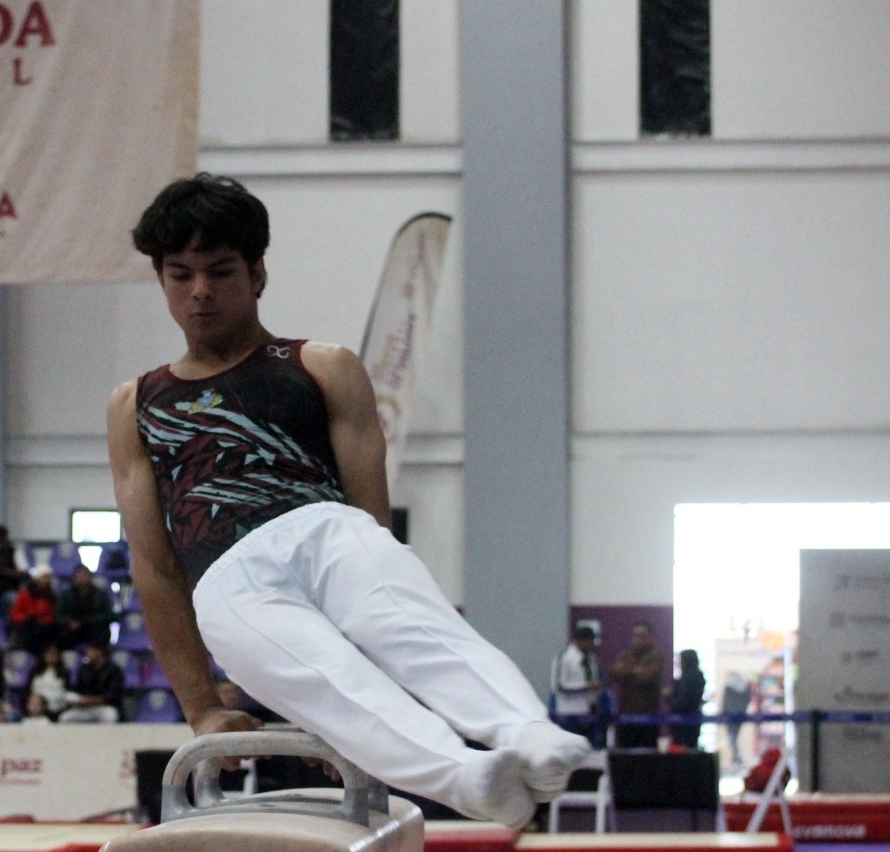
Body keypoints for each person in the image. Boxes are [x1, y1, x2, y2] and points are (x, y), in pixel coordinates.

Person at [106, 174, 589, 827]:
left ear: (257, 273)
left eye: (220, 271)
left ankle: (526, 731)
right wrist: (202, 707)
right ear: (161, 280)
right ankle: (468, 779)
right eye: (180, 275)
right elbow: (156, 568)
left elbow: (371, 532)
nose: (200, 291)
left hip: (326, 531)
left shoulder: (322, 366)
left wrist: (364, 653)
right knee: (330, 685)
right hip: (227, 582)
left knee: (412, 624)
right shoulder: (136, 405)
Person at [608, 620, 665, 749]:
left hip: (649, 717)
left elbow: (647, 676)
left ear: (649, 637)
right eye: (634, 635)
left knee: (648, 756)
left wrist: (627, 672)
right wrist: (635, 671)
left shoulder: (656, 655)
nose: (637, 639)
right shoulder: (625, 655)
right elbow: (614, 673)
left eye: (641, 636)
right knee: (625, 755)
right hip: (626, 716)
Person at [551, 625, 604, 746]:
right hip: (569, 715)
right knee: (571, 748)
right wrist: (586, 686)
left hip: (588, 714)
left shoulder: (591, 659)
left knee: (589, 750)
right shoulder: (564, 658)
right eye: (590, 641)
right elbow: (559, 686)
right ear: (581, 641)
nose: (593, 645)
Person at [59, 642, 124, 723]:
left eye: (90, 650)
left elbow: (111, 696)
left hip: (104, 707)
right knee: (65, 718)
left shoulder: (114, 670)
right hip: (85, 708)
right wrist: (73, 699)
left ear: (99, 651)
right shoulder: (84, 669)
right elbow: (79, 690)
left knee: (110, 716)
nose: (87, 653)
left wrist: (91, 700)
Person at [55, 563, 114, 650]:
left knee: (101, 633)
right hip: (73, 630)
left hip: (93, 628)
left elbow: (107, 615)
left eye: (84, 575)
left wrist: (89, 621)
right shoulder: (67, 595)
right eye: (78, 576)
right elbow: (59, 614)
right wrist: (69, 622)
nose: (81, 578)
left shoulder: (100, 595)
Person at [10, 566, 59, 654]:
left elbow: (52, 615)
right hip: (25, 629)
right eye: (43, 578)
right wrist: (27, 618)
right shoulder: (24, 594)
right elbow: (15, 615)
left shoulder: (51, 597)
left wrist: (43, 621)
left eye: (47, 578)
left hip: (43, 630)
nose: (44, 581)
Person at [668, 648, 706, 749]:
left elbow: (682, 701)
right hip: (689, 723)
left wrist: (670, 698)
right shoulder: (695, 677)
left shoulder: (689, 679)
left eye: (681, 661)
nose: (679, 664)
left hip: (685, 725)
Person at [25, 643, 71, 718]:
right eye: (49, 653)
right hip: (37, 705)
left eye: (54, 653)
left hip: (56, 706)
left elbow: (67, 692)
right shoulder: (35, 671)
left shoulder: (64, 673)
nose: (51, 656)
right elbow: (29, 689)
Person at [721, 670, 754, 767]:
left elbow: (726, 702)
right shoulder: (745, 686)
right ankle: (736, 757)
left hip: (731, 715)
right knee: (734, 737)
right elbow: (748, 700)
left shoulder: (729, 687)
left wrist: (725, 713)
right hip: (740, 714)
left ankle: (737, 757)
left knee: (732, 737)